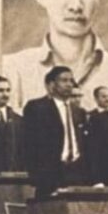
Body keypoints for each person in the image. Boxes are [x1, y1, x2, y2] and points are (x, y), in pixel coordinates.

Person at [23, 66, 88, 197]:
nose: (69, 84)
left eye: (71, 81)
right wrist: (36, 173)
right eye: (64, 80)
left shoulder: (79, 111)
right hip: (49, 173)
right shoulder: (37, 107)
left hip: (76, 173)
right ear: (52, 84)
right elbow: (28, 143)